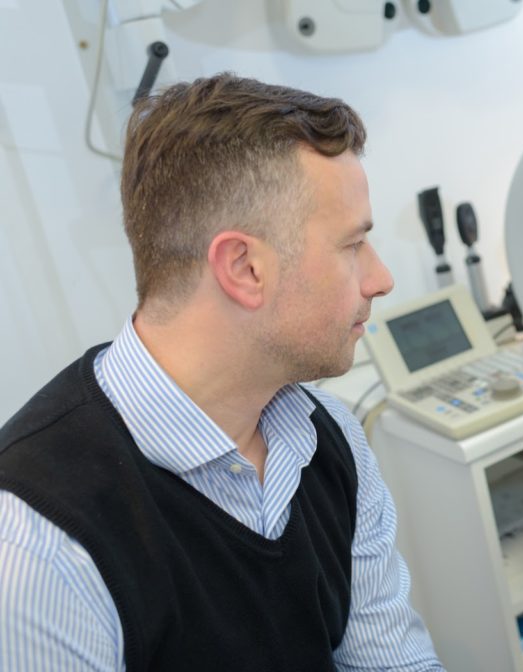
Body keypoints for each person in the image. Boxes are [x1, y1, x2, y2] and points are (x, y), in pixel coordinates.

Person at [0, 74, 444, 670]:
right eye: (351, 246)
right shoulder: (39, 546)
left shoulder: (328, 439)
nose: (380, 278)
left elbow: (392, 662)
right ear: (245, 269)